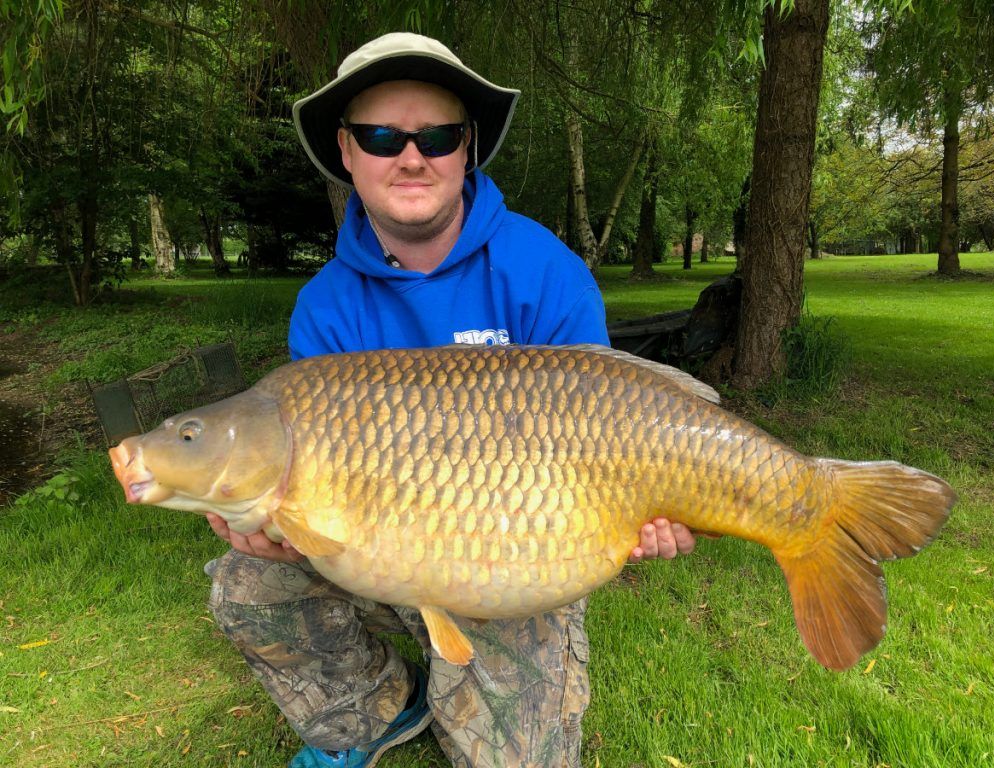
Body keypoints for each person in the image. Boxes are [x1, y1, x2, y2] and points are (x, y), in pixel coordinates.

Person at [205, 32, 695, 768]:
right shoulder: (325, 308)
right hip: (378, 541)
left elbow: (616, 425)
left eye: (437, 135)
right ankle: (377, 710)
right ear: (346, 151)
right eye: (380, 136)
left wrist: (657, 508)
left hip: (519, 554)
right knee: (248, 584)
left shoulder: (543, 273)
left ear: (466, 149)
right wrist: (276, 520)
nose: (411, 156)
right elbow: (316, 478)